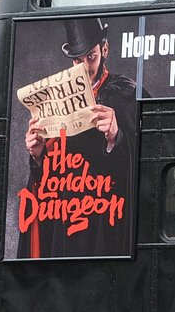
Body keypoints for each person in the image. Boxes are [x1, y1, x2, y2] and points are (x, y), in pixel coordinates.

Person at [20, 18, 139, 258]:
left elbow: (144, 165)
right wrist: (38, 155)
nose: (84, 66)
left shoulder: (128, 94)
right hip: (66, 221)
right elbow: (48, 180)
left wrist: (116, 136)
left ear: (104, 50)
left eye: (91, 57)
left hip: (106, 222)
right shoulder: (56, 99)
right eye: (77, 59)